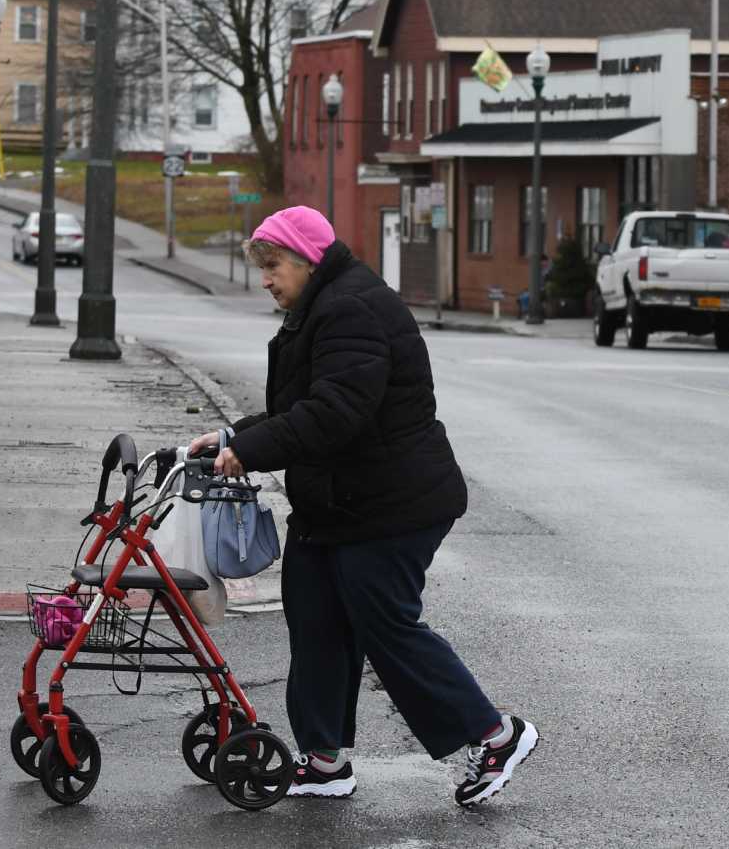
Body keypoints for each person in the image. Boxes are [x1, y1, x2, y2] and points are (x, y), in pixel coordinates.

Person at [189, 205, 539, 807]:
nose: (266, 280)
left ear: (305, 258)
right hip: (340, 502)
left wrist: (250, 451)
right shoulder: (322, 307)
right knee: (316, 613)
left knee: (384, 622)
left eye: (273, 267)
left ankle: (496, 734)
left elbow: (335, 414)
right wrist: (232, 438)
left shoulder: (351, 308)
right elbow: (307, 402)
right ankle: (324, 762)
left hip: (392, 501)